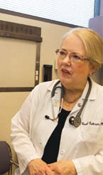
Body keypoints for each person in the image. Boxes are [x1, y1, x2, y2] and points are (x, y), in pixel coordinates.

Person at [11, 28, 103, 175]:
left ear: (93, 66)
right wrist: (32, 159)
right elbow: (18, 129)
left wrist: (76, 167)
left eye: (75, 57)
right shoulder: (41, 92)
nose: (65, 61)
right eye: (62, 53)